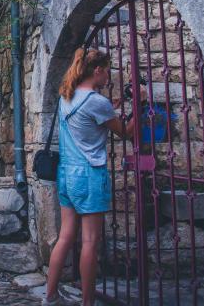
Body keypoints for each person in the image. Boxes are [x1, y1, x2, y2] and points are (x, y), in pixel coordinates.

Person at [44, 48, 143, 306]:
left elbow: (89, 120)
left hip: (65, 173)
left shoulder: (66, 97)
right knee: (90, 240)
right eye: (107, 69)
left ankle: (50, 296)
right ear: (97, 70)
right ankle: (87, 303)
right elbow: (127, 132)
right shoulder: (97, 102)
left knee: (65, 236)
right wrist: (140, 103)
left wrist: (114, 107)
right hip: (88, 174)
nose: (108, 74)